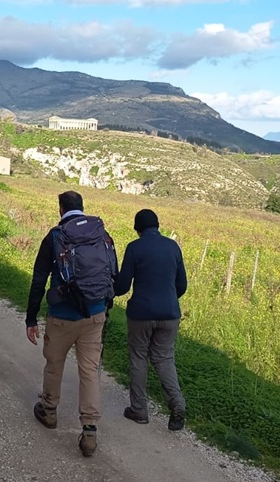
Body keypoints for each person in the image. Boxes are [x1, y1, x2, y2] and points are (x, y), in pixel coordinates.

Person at [26, 190, 117, 457]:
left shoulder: (55, 236)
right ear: (82, 207)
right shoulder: (102, 234)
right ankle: (89, 429)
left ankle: (50, 411)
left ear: (60, 209)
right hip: (95, 314)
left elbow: (38, 280)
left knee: (54, 364)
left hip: (62, 316)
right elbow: (114, 273)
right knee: (89, 371)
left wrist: (31, 317)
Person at [113, 208, 188, 431]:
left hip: (141, 314)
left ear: (138, 228)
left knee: (138, 358)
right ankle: (177, 404)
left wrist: (109, 289)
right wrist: (167, 299)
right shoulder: (173, 246)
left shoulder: (135, 248)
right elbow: (181, 285)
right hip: (170, 314)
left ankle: (139, 410)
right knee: (164, 359)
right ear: (158, 225)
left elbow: (123, 286)